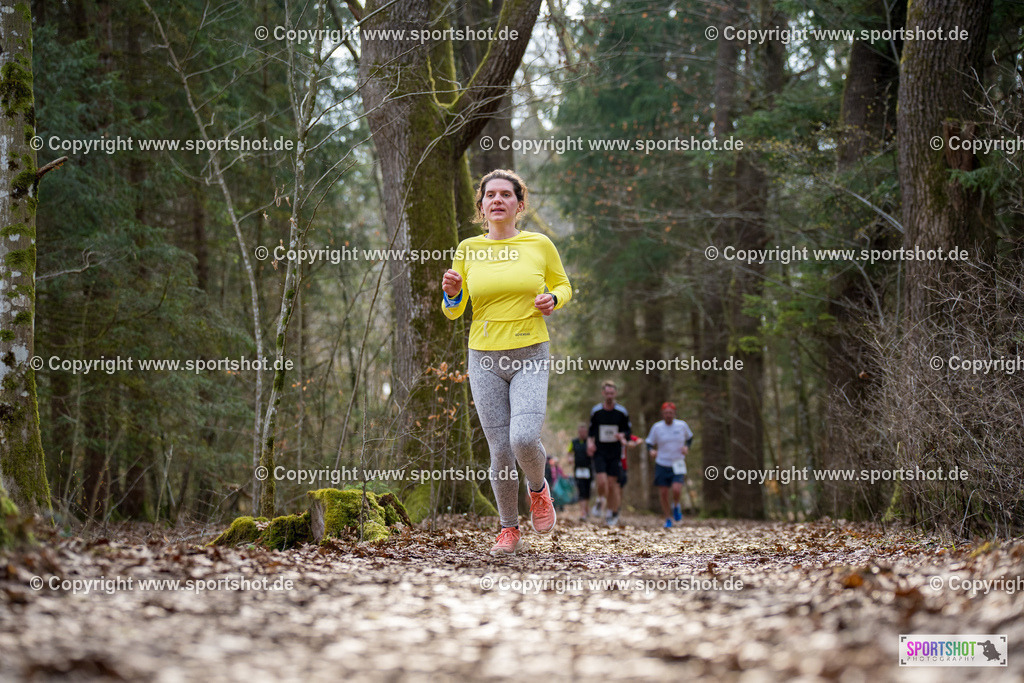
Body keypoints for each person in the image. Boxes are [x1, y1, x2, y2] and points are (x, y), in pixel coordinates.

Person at [441, 169, 572, 556]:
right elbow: (454, 311)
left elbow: (563, 285)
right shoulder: (467, 249)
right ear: (481, 206)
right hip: (483, 358)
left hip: (530, 352)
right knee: (499, 449)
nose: (497, 200)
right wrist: (450, 294)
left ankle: (538, 489)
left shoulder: (539, 244)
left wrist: (555, 299)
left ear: (519, 203)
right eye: (490, 195)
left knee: (523, 438)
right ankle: (508, 529)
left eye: (506, 194)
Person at [588, 381, 631, 526]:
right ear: (603, 393)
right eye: (607, 393)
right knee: (601, 481)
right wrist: (590, 444)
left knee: (612, 485)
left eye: (612, 393)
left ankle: (610, 514)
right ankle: (600, 500)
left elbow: (628, 432)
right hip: (600, 452)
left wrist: (622, 436)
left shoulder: (621, 412)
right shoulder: (596, 412)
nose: (609, 396)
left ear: (615, 394)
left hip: (615, 453)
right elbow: (591, 432)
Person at [645, 402, 694, 528]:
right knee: (664, 493)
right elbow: (649, 442)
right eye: (666, 413)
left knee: (677, 489)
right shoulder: (657, 427)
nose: (668, 415)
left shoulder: (682, 425)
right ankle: (668, 518)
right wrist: (651, 451)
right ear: (662, 414)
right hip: (662, 462)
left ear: (674, 414)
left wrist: (686, 447)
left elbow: (690, 438)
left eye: (671, 413)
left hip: (678, 462)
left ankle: (676, 505)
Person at [569, 423, 592, 521]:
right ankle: (583, 511)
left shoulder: (590, 442)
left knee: (587, 490)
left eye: (584, 432)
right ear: (578, 432)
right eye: (581, 432)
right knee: (581, 490)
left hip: (589, 469)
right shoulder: (574, 442)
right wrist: (570, 458)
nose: (582, 433)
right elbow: (569, 452)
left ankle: (586, 509)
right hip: (578, 469)